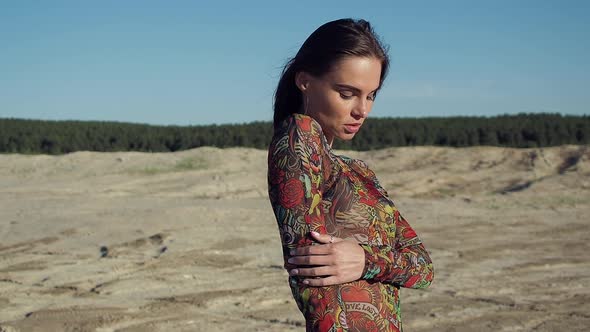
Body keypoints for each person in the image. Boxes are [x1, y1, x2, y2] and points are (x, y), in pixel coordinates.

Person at [267, 18, 434, 332]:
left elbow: (424, 267)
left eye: (371, 95)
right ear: (304, 81)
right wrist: (383, 261)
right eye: (347, 93)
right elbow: (312, 272)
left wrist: (365, 260)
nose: (363, 110)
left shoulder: (361, 173)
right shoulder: (298, 137)